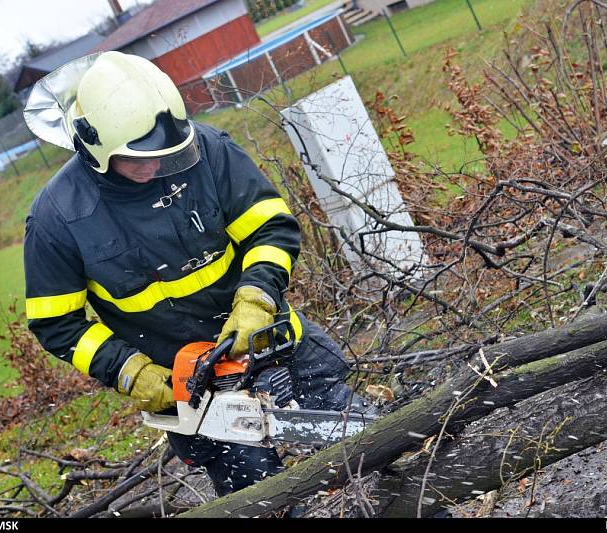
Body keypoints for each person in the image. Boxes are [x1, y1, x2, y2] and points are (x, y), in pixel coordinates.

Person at [22, 51, 372, 496]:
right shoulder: (58, 218)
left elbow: (270, 225)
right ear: (96, 147)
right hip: (193, 388)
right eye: (139, 159)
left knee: (374, 443)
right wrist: (130, 371)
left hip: (268, 339)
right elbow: (57, 322)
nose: (155, 168)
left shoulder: (208, 152)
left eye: (166, 154)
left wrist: (257, 297)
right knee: (261, 500)